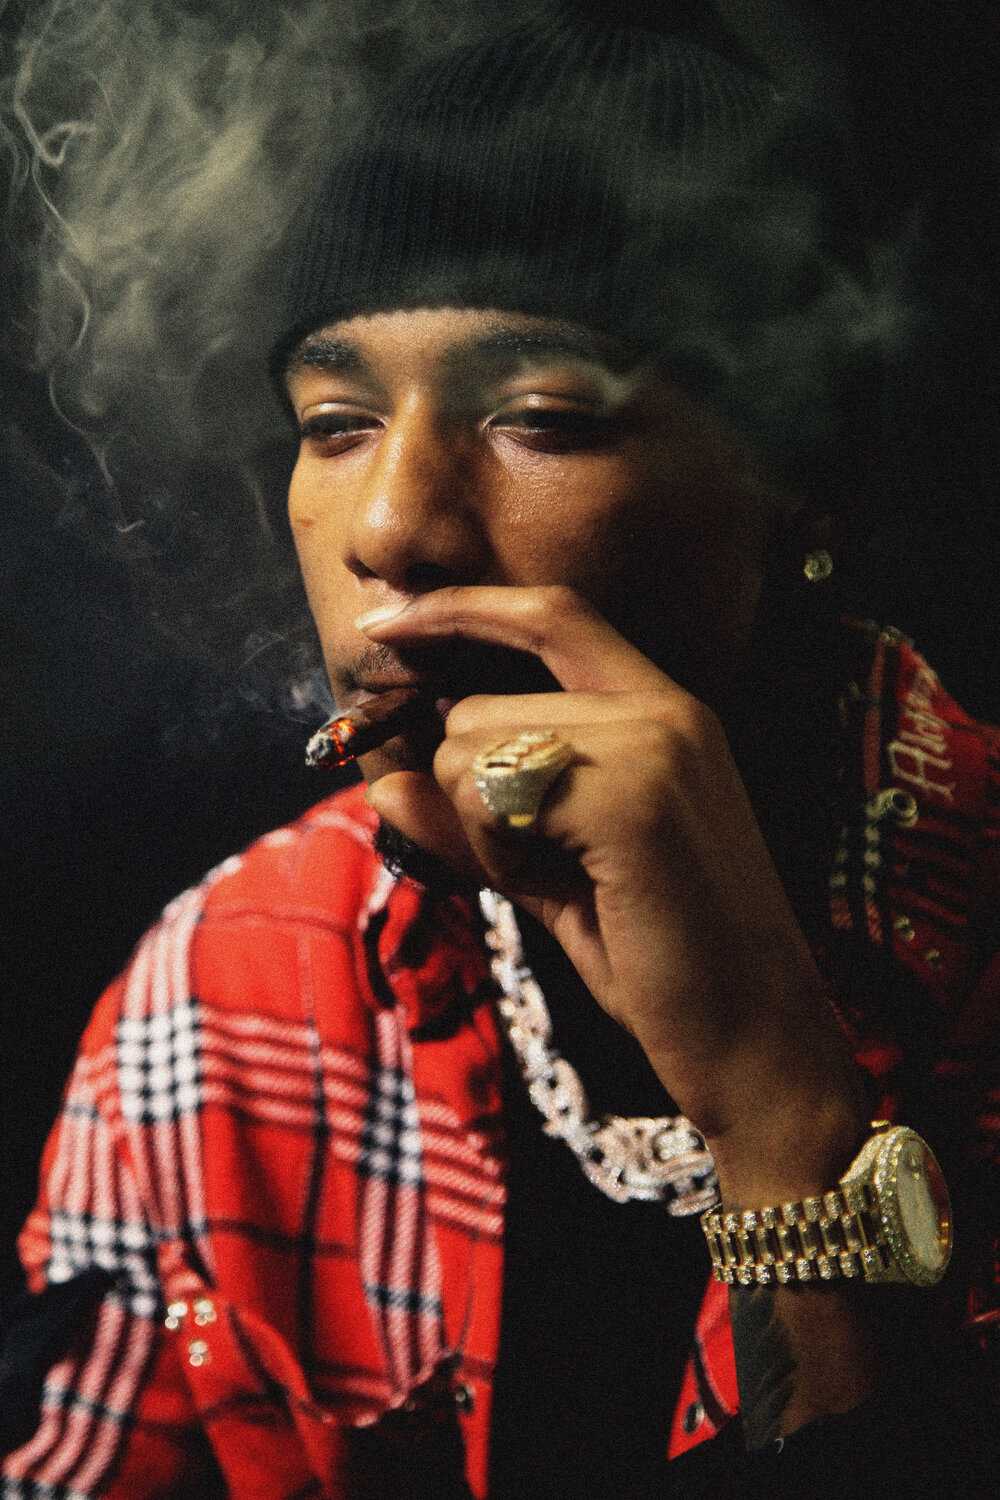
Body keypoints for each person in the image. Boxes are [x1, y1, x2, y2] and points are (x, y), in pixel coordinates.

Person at [2, 4, 998, 1495]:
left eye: (539, 416)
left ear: (797, 479)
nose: (392, 527)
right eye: (336, 423)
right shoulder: (232, 994)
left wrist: (777, 1109)